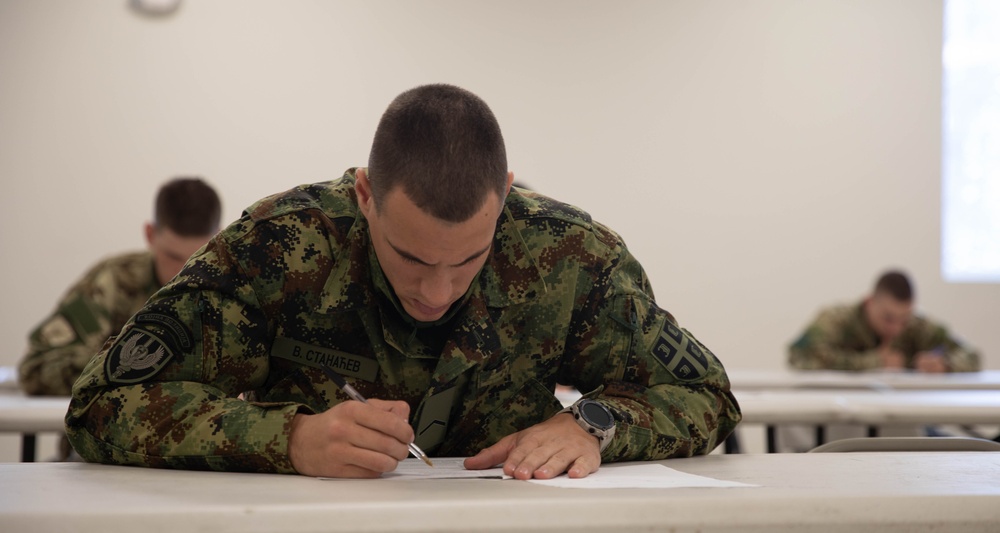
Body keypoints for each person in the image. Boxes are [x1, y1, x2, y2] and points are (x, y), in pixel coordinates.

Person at [66, 84, 741, 480]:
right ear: (365, 196)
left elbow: (707, 391)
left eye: (469, 259)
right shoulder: (282, 246)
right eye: (411, 258)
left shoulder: (568, 257)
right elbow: (100, 402)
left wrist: (594, 422)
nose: (437, 292)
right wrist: (287, 437)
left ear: (504, 197)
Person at [19, 177, 222, 396]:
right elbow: (37, 370)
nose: (184, 270)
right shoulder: (115, 281)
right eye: (172, 256)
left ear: (218, 239)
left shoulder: (236, 290)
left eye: (198, 257)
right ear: (150, 234)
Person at [788, 270, 980, 373]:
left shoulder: (917, 325)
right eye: (888, 318)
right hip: (839, 422)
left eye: (903, 320)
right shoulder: (837, 319)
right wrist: (872, 362)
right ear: (870, 302)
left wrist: (945, 364)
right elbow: (799, 355)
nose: (896, 328)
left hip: (902, 421)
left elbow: (971, 354)